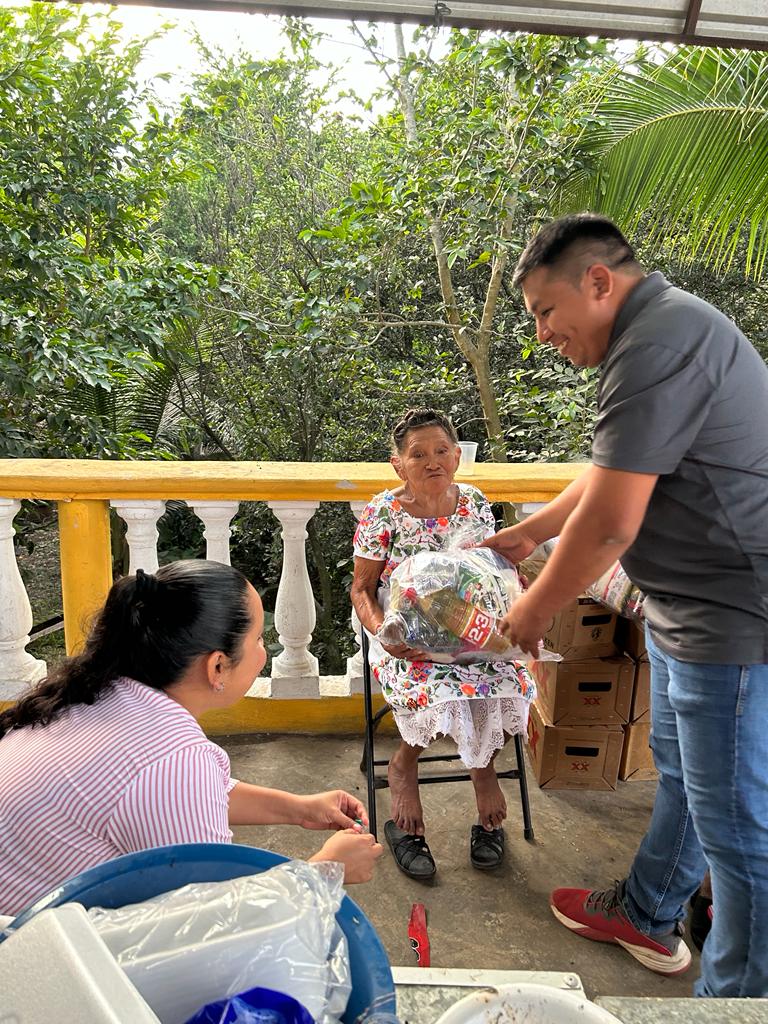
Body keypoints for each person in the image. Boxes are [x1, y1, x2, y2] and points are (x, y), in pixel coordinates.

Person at [482, 213, 768, 998]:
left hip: (733, 618)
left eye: (545, 311)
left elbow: (611, 522)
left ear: (599, 282)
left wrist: (535, 610)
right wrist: (529, 535)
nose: (541, 333)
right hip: (687, 610)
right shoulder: (654, 333)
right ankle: (648, 913)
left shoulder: (660, 343)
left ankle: (734, 1005)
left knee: (740, 834)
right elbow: (611, 470)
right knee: (686, 780)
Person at [0, 560, 382, 919]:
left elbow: (169, 799)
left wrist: (299, 809)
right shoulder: (174, 760)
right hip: (32, 961)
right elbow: (211, 923)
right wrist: (325, 872)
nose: (265, 653)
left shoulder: (96, 694)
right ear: (217, 666)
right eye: (258, 641)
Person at [351, 408, 534, 878]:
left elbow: (488, 572)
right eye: (418, 454)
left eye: (440, 451)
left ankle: (482, 766)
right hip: (405, 636)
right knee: (438, 683)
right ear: (398, 464)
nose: (432, 462)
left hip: (467, 625)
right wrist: (383, 636)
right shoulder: (382, 512)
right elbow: (361, 591)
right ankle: (403, 766)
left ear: (456, 456)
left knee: (507, 671)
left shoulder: (473, 501)